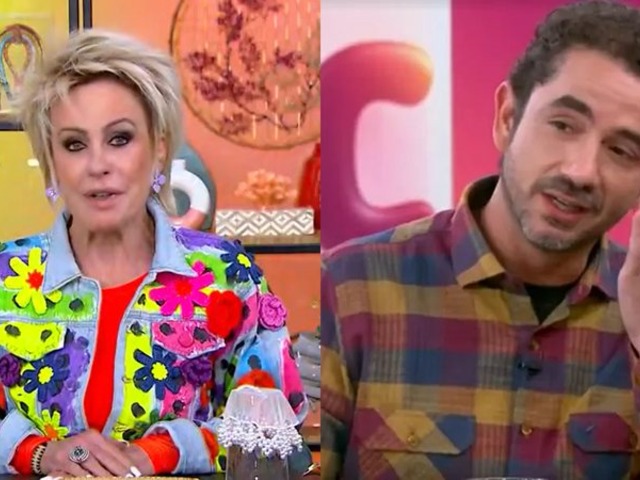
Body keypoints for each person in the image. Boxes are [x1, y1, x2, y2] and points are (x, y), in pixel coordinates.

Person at [321, 1, 640, 479]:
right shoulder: (349, 288)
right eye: (563, 125)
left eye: (621, 150)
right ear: (507, 118)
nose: (581, 171)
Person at [0, 29, 309, 477]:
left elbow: (278, 438)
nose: (98, 165)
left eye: (120, 139)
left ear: (159, 148)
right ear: (51, 160)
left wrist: (162, 452)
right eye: (74, 144)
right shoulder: (7, 276)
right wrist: (36, 452)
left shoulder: (228, 276)